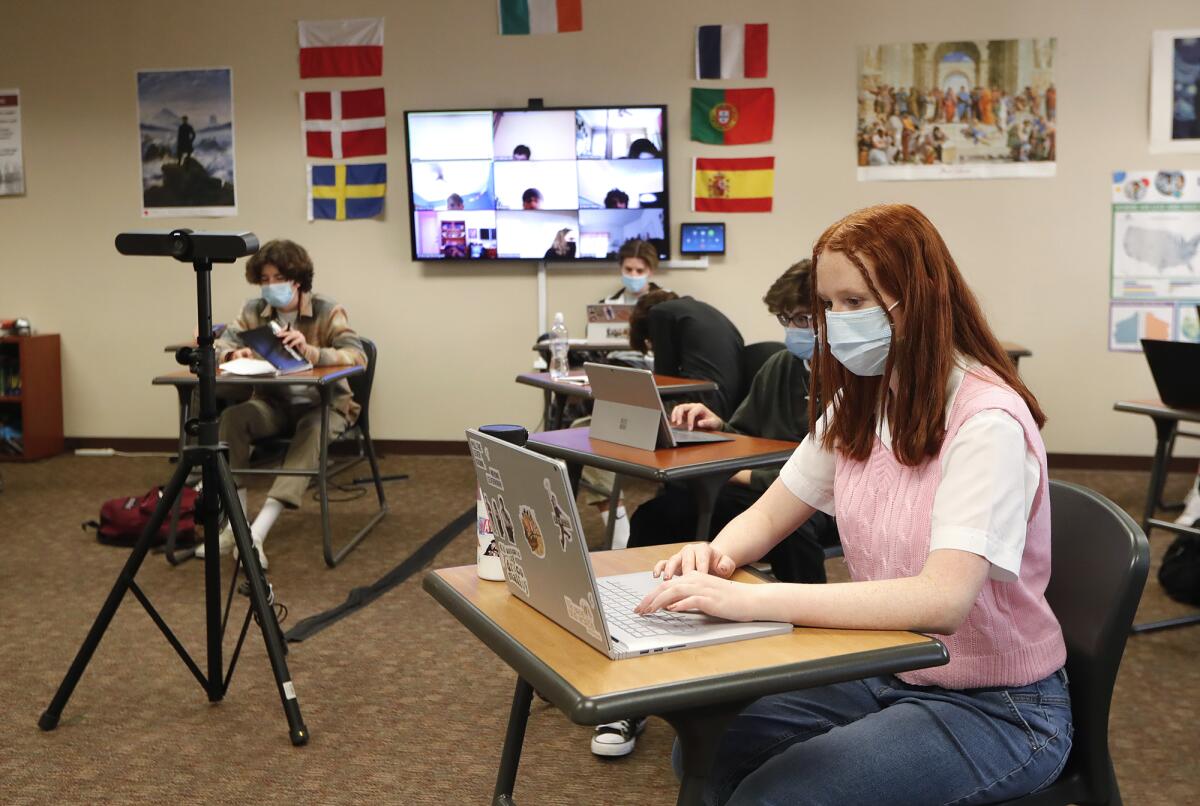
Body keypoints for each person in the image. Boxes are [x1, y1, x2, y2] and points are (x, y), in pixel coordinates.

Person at [635, 204, 1071, 805]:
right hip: (889, 668)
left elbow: (940, 600)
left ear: (919, 300)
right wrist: (714, 555)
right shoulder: (864, 402)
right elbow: (770, 513)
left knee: (774, 796)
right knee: (707, 748)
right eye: (828, 305)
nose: (835, 323)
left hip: (997, 706)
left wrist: (752, 599)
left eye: (856, 303)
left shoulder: (985, 421)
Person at [628, 259, 838, 581]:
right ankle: (644, 591)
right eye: (786, 318)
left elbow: (827, 478)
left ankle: (808, 619)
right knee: (656, 514)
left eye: (801, 319)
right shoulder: (780, 366)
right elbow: (745, 434)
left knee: (792, 530)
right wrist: (718, 427)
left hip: (815, 498)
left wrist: (741, 475)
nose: (792, 329)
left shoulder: (853, 380)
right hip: (755, 485)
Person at [196, 239, 367, 569]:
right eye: (264, 280)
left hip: (325, 406)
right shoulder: (252, 311)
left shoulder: (327, 310)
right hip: (274, 403)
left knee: (312, 431)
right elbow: (219, 345)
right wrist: (233, 353)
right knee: (233, 419)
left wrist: (312, 352)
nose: (270, 286)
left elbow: (357, 357)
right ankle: (236, 525)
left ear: (298, 279)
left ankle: (257, 533)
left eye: (277, 278)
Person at [628, 289, 744, 421]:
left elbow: (665, 379)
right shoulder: (701, 311)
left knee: (633, 411)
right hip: (730, 406)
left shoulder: (659, 311)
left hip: (701, 405)